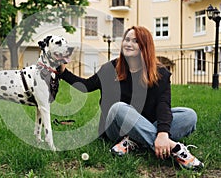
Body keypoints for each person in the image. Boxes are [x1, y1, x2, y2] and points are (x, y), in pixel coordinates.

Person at [59, 26, 204, 170]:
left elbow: (163, 104)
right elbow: (86, 86)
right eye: (126, 40)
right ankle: (174, 148)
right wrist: (63, 72)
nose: (128, 44)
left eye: (135, 41)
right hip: (115, 127)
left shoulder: (160, 73)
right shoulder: (110, 68)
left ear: (145, 46)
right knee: (118, 108)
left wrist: (163, 133)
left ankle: (134, 141)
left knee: (189, 115)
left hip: (145, 122)